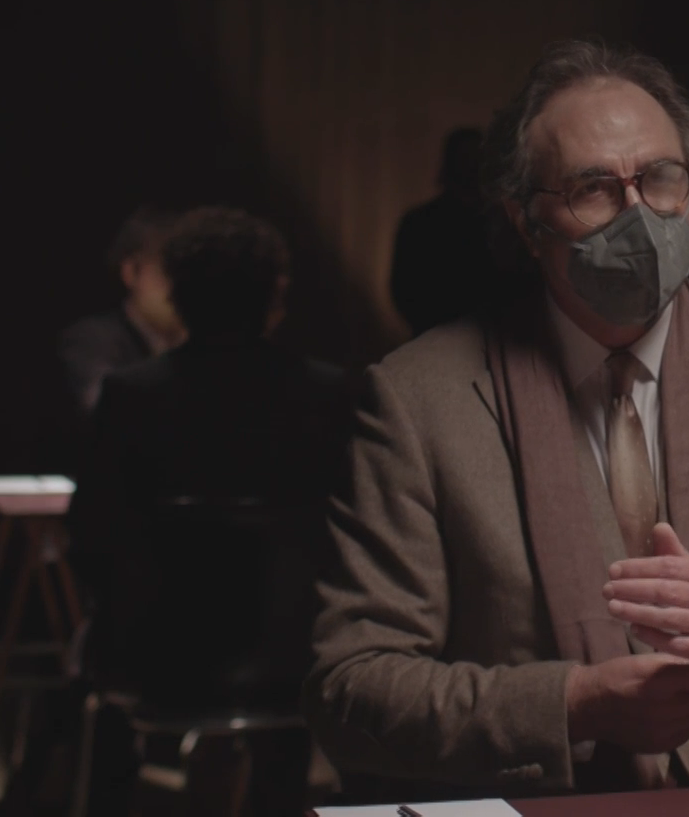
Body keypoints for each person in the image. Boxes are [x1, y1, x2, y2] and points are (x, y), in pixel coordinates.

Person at [306, 39, 689, 801]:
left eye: (660, 178)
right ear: (526, 222)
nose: (638, 215)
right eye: (593, 188)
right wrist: (572, 706)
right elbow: (349, 692)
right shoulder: (416, 400)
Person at [68, 207, 354, 817]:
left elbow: (90, 540)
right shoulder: (327, 393)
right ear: (274, 298)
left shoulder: (131, 396)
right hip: (294, 660)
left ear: (179, 294)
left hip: (152, 657)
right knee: (299, 644)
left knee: (100, 659)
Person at [58, 205, 187, 418]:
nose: (179, 285)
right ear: (131, 272)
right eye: (167, 271)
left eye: (187, 272)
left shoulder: (197, 338)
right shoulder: (91, 339)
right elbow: (109, 410)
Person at [390, 126, 503, 336]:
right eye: (465, 157)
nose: (471, 165)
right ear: (451, 162)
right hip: (434, 337)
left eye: (476, 157)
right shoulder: (420, 222)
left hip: (495, 337)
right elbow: (404, 289)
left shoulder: (502, 223)